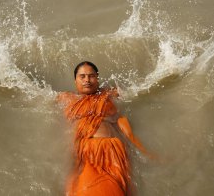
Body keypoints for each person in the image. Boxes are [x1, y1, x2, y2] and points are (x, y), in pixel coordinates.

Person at [57, 61, 149, 196]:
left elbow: (137, 92)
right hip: (85, 150)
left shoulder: (108, 95)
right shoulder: (66, 97)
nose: (87, 80)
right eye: (82, 76)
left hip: (112, 150)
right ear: (75, 80)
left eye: (91, 76)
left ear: (97, 78)